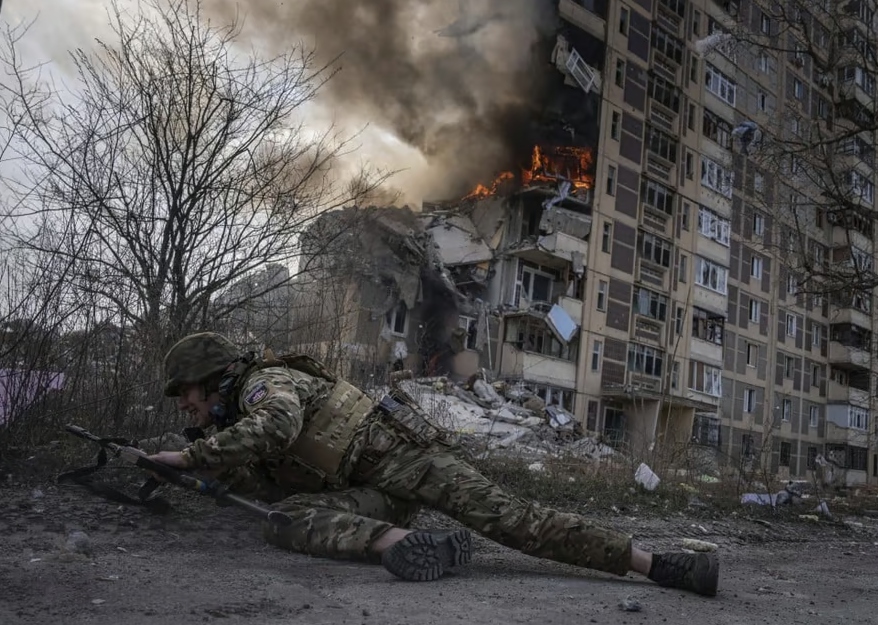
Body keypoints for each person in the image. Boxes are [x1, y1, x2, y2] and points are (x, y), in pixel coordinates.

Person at [148, 332, 719, 596]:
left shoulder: (262, 385)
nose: (185, 405)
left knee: (515, 521)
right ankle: (403, 544)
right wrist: (194, 469)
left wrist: (190, 454)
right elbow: (268, 482)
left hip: (410, 462)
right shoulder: (233, 418)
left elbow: (278, 424)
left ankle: (658, 565)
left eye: (188, 392)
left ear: (215, 378)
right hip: (375, 497)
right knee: (284, 518)